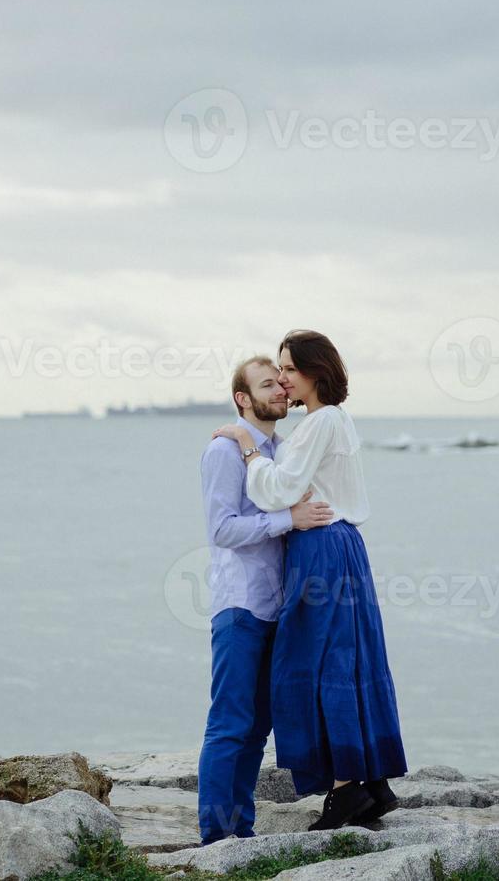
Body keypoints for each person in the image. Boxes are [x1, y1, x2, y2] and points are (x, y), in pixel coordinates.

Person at [213, 329, 407, 831]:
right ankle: (368, 780)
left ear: (314, 373)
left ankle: (345, 792)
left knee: (317, 664)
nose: (282, 379)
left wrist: (248, 449)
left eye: (288, 370)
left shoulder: (319, 422)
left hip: (320, 548)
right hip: (343, 547)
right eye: (276, 372)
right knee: (350, 658)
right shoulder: (335, 421)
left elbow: (278, 490)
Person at [197, 356, 335, 846]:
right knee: (230, 724)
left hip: (278, 607)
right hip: (239, 606)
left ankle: (243, 835)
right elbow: (221, 529)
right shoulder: (224, 451)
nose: (279, 390)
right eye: (266, 385)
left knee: (257, 731)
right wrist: (287, 520)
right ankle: (215, 840)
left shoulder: (279, 451)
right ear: (242, 398)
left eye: (281, 382)